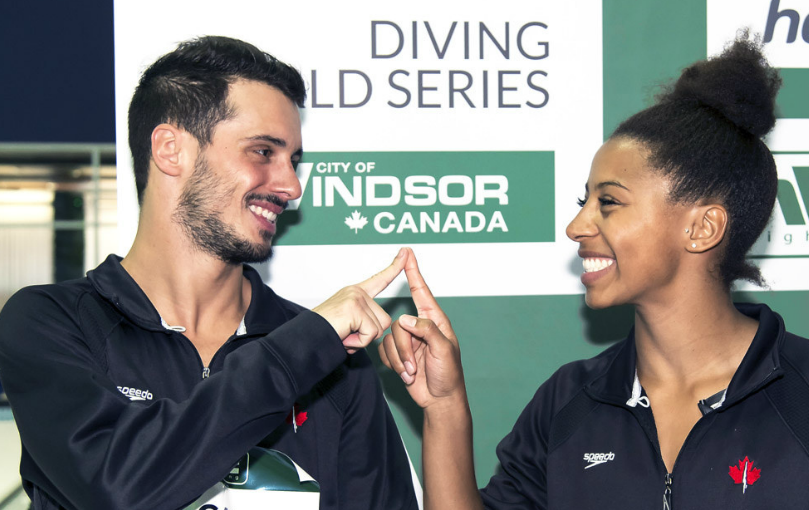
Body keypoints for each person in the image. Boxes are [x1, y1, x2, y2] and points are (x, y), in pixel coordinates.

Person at [380, 35, 809, 508]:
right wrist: (444, 408)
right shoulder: (567, 403)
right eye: (583, 201)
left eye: (608, 202)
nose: (576, 225)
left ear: (702, 227)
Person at [0, 36, 419, 510]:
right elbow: (116, 487)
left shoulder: (334, 360)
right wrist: (300, 349)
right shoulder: (51, 323)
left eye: (294, 161)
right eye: (263, 151)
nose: (291, 185)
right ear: (171, 150)